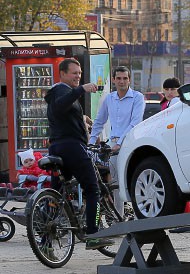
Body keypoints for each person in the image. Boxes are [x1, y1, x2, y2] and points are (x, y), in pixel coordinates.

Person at [45, 58, 113, 250]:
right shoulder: (61, 90)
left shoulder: (60, 93)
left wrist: (85, 125)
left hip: (58, 147)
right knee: (93, 189)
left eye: (80, 73)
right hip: (71, 148)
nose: (78, 76)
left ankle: (46, 240)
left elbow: (62, 113)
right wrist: (81, 89)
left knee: (56, 194)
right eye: (74, 73)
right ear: (63, 74)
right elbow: (61, 105)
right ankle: (93, 234)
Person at [88, 66, 144, 217]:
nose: (122, 81)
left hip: (131, 142)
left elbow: (135, 122)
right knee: (115, 182)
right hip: (113, 144)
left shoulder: (137, 97)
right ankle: (119, 217)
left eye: (125, 78)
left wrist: (120, 142)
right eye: (118, 78)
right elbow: (99, 121)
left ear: (129, 79)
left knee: (133, 178)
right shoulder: (109, 98)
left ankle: (141, 215)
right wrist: (91, 142)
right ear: (113, 80)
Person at [161, 77, 190, 234]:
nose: (169, 92)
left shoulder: (175, 103)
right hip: (172, 144)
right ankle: (188, 216)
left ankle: (187, 218)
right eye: (167, 89)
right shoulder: (166, 103)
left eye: (173, 89)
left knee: (178, 185)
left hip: (175, 145)